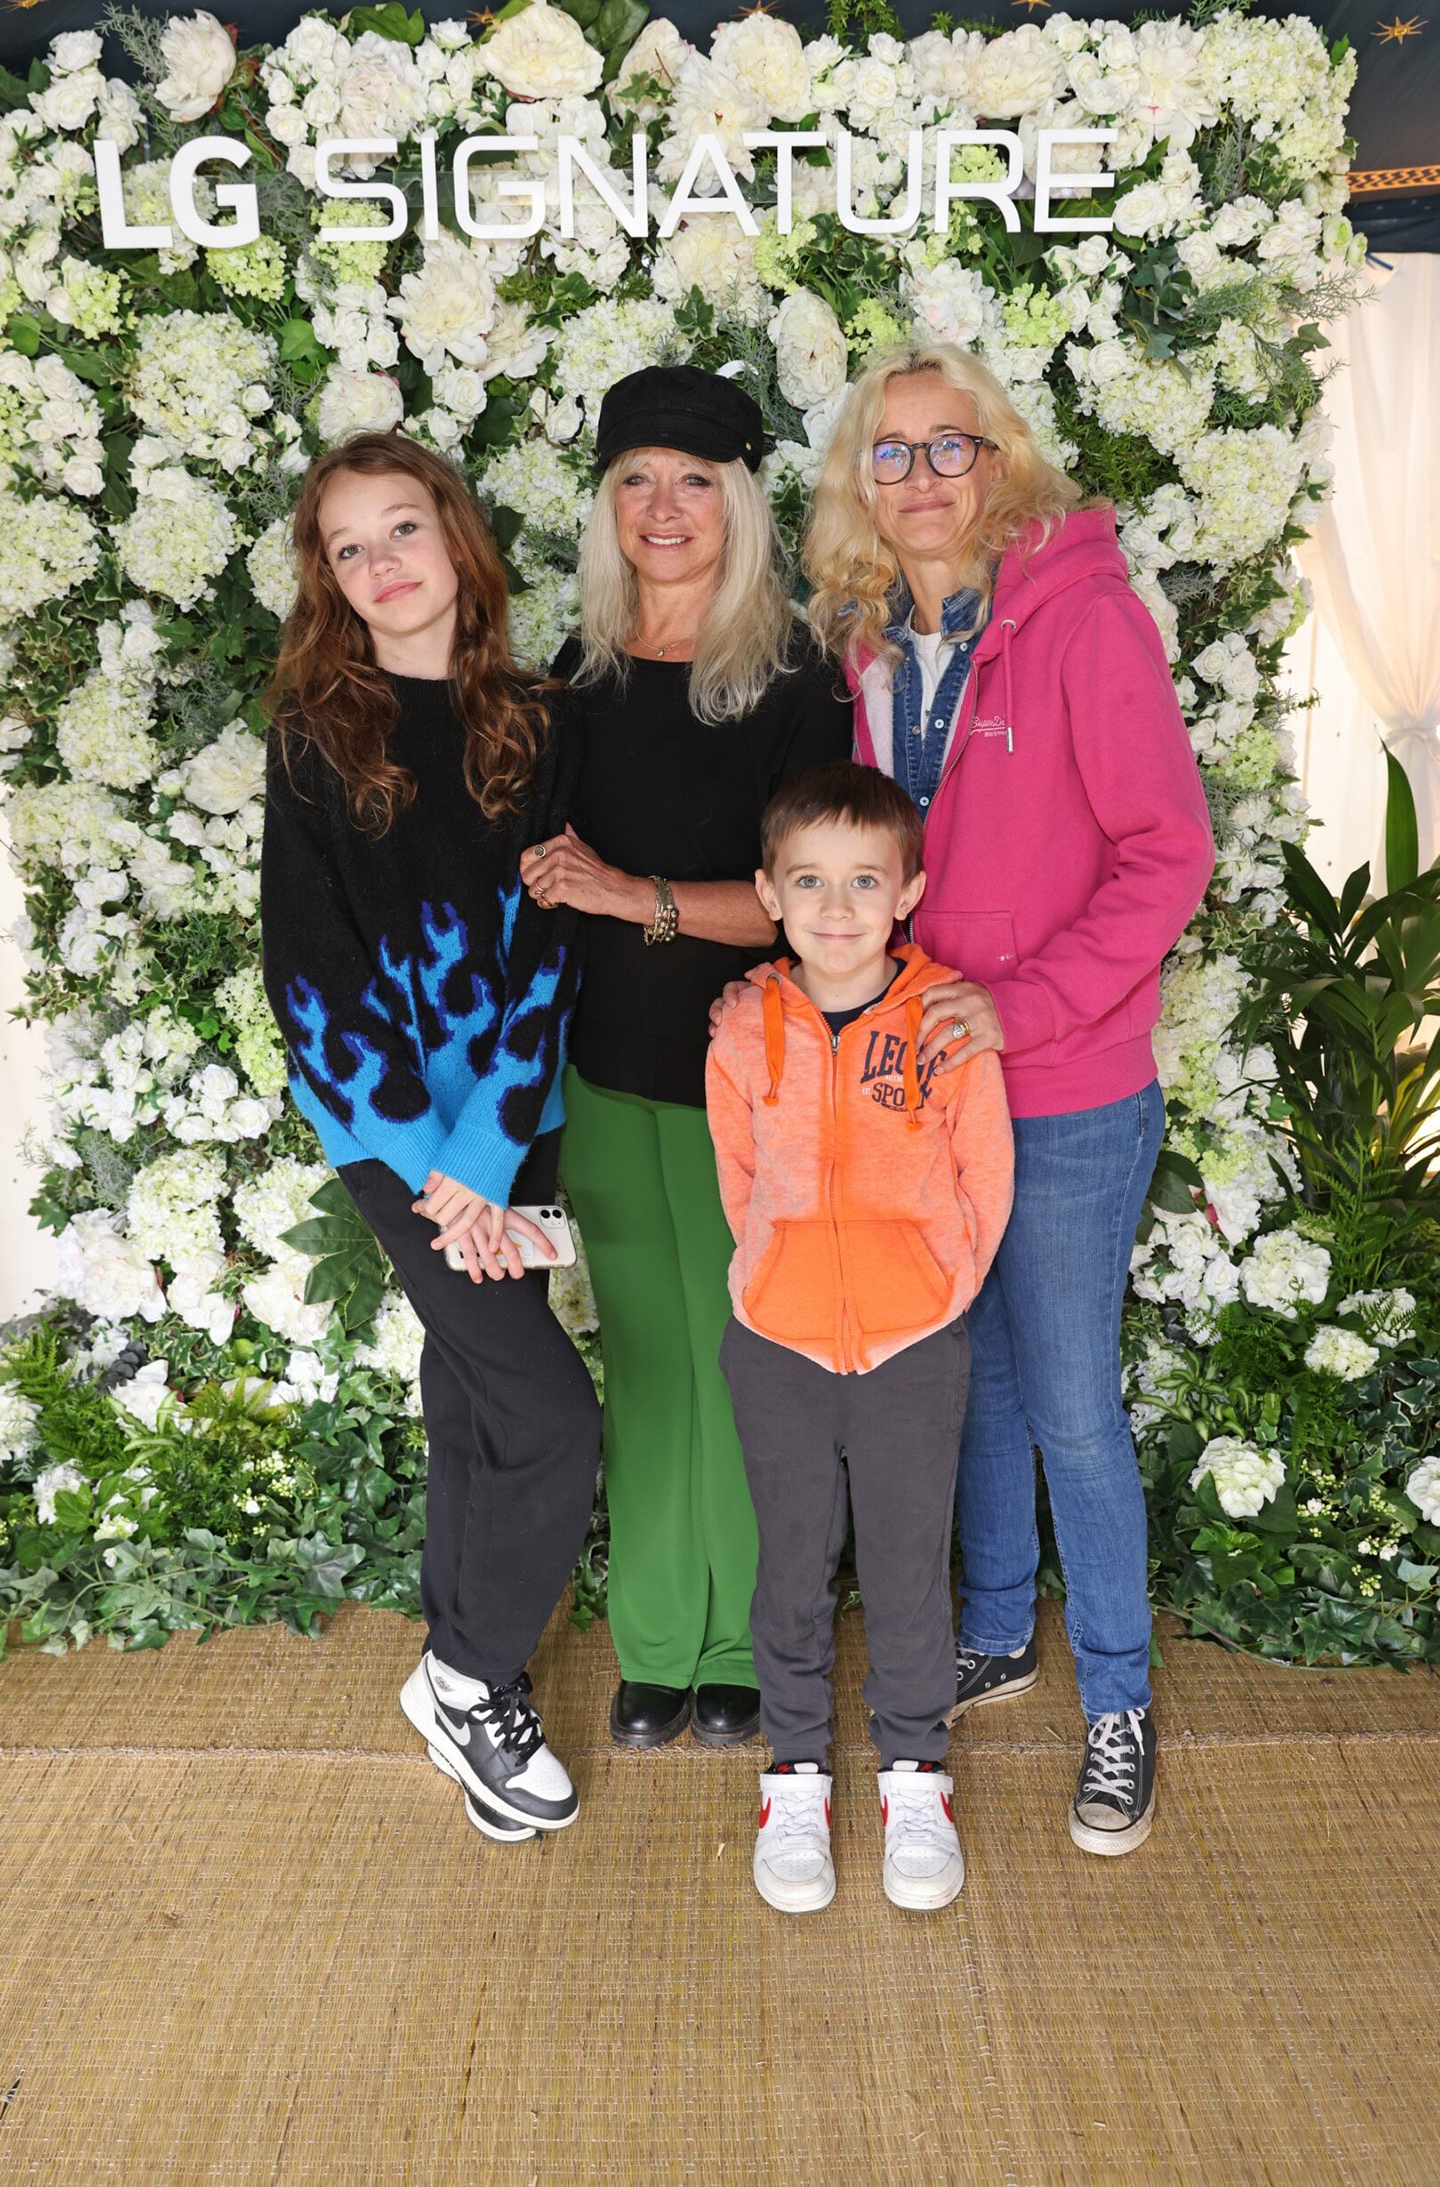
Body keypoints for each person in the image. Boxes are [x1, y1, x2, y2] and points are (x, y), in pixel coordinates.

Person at [806, 340, 1215, 1856]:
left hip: (1067, 1080)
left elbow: (1167, 853)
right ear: (862, 481)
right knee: (964, 1370)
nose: (919, 477)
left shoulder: (1083, 618)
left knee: (1067, 1399)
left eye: (948, 446)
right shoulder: (864, 639)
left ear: (1001, 461)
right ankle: (996, 1626)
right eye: (889, 452)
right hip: (926, 1082)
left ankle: (1120, 1700)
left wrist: (1025, 1006)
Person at [261, 430, 601, 1847]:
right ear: (330, 583)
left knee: (476, 1396)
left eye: (402, 529)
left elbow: (549, 944)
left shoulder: (541, 720)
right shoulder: (316, 738)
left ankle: (467, 1660)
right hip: (392, 1138)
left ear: (456, 539)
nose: (382, 564)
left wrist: (491, 1152)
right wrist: (435, 1168)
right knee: (550, 1416)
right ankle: (464, 1680)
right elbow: (312, 974)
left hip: (515, 1121)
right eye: (350, 548)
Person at [520, 367, 852, 1750]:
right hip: (602, 1074)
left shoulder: (793, 677)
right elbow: (535, 879)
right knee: (648, 1357)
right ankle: (658, 1645)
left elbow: (807, 896)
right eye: (637, 480)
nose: (665, 508)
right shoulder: (574, 675)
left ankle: (747, 1647)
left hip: (749, 1082)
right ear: (607, 505)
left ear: (740, 501)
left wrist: (628, 895)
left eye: (694, 481)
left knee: (743, 1360)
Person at [708, 762, 1013, 1913]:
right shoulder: (743, 1030)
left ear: (908, 892)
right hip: (776, 1344)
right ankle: (793, 1776)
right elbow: (742, 1186)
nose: (837, 909)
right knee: (790, 1569)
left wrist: (931, 1294)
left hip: (912, 1349)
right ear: (770, 895)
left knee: (902, 1572)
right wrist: (781, 1288)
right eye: (810, 883)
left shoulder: (945, 1025)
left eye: (864, 882)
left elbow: (985, 1177)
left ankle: (915, 1774)